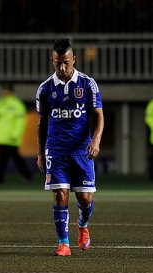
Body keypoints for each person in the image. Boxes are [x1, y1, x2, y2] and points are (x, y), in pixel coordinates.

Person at [36, 38, 104, 256]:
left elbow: (99, 116)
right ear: (52, 61)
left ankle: (82, 225)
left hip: (81, 150)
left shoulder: (87, 84)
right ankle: (63, 243)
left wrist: (96, 140)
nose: (62, 68)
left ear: (74, 59)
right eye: (58, 63)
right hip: (56, 150)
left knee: (85, 198)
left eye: (66, 62)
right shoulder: (45, 89)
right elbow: (42, 123)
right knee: (60, 194)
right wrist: (40, 152)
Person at [0, 83, 32, 184]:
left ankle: (27, 176)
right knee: (1, 159)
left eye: (7, 90)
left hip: (11, 138)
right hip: (0, 137)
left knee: (16, 159)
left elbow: (20, 122)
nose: (5, 92)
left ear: (11, 91)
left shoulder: (17, 104)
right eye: (4, 90)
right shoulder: (0, 103)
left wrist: (15, 134)